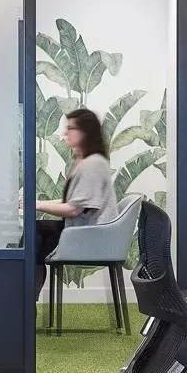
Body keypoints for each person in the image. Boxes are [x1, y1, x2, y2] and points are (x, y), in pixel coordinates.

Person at [34, 109, 118, 300]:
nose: (65, 132)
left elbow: (73, 209)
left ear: (85, 132)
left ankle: (27, 300)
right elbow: (72, 202)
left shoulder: (93, 164)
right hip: (82, 231)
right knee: (34, 235)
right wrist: (36, 203)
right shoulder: (85, 161)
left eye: (71, 128)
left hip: (90, 238)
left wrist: (37, 205)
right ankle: (28, 298)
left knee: (33, 237)